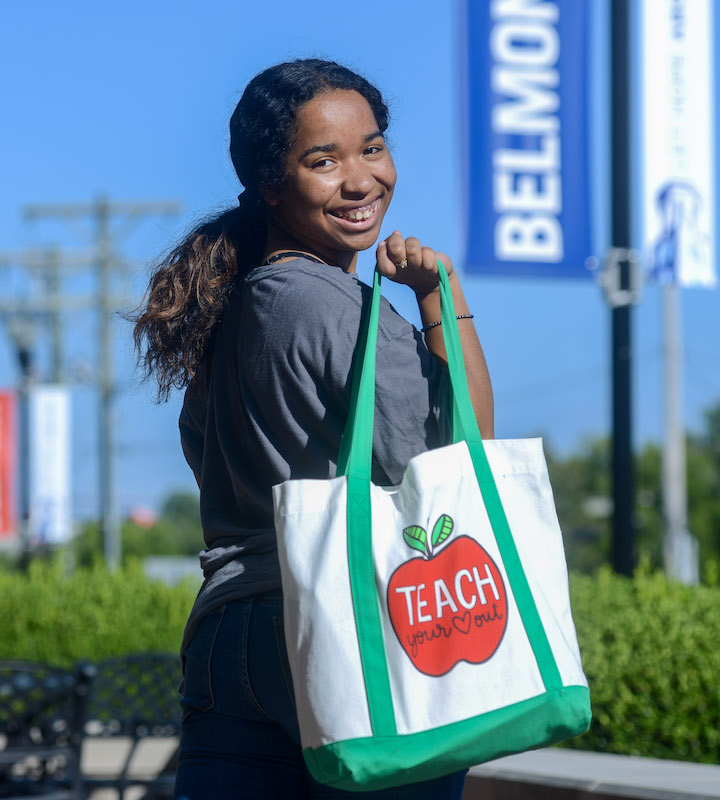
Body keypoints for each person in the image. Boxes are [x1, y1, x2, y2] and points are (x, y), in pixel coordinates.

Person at [133, 58, 493, 800]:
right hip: (350, 632)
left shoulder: (228, 310)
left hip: (227, 638)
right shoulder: (334, 306)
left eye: (372, 146)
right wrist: (439, 295)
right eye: (322, 161)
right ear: (272, 184)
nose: (361, 180)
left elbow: (208, 460)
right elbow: (461, 455)